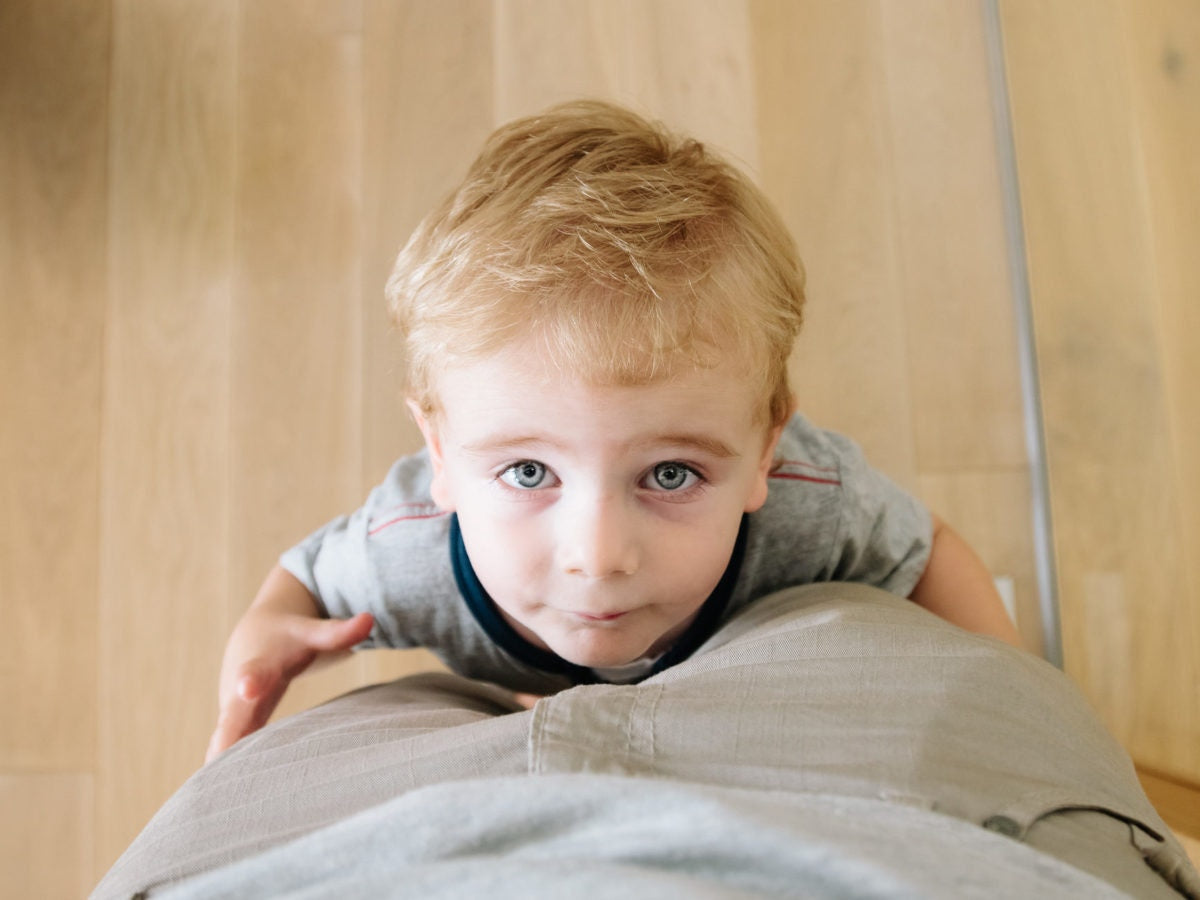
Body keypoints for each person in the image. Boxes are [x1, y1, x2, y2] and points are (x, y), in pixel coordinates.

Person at [207, 99, 1021, 763]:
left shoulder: (816, 507)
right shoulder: (408, 556)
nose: (597, 556)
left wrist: (1016, 702)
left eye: (669, 474)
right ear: (442, 454)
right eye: (529, 473)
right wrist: (264, 632)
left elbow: (925, 550)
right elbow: (305, 582)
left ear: (769, 448)